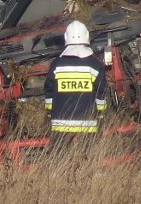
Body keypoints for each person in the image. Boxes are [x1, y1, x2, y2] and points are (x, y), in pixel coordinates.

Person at [44, 20, 107, 154]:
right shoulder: (95, 65)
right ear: (86, 36)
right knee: (88, 159)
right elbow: (101, 93)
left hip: (61, 123)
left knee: (59, 160)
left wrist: (49, 112)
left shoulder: (56, 64)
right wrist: (101, 115)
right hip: (87, 124)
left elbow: (48, 91)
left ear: (66, 38)